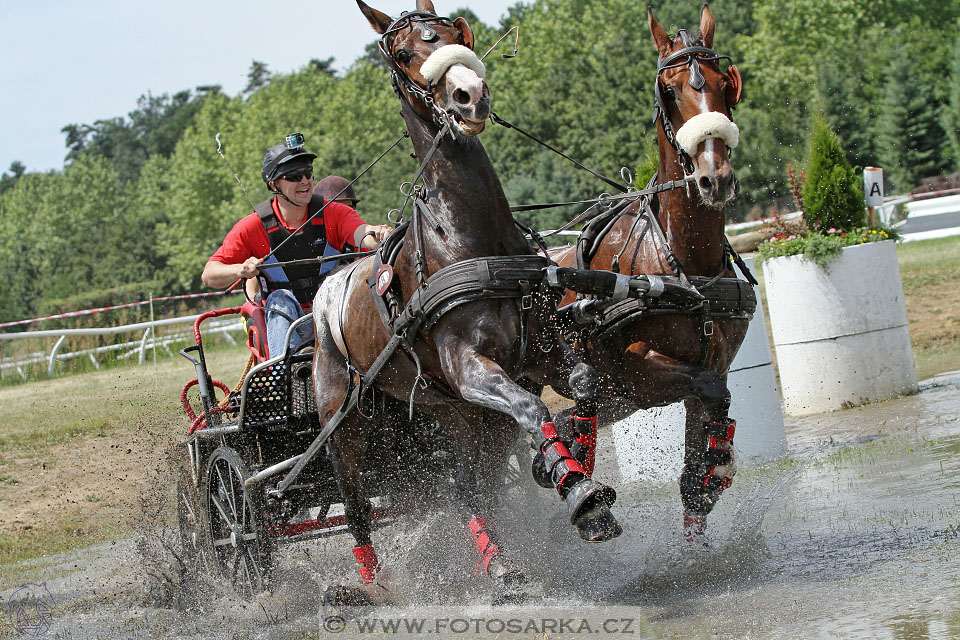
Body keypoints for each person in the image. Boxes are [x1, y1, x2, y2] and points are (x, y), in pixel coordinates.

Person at [201, 134, 391, 357]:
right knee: (280, 299)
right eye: (294, 176)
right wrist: (240, 269)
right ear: (274, 185)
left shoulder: (333, 213)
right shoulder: (252, 227)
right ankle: (287, 370)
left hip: (334, 313)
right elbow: (209, 275)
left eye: (308, 173)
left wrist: (377, 234)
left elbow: (362, 234)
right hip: (287, 319)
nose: (305, 181)